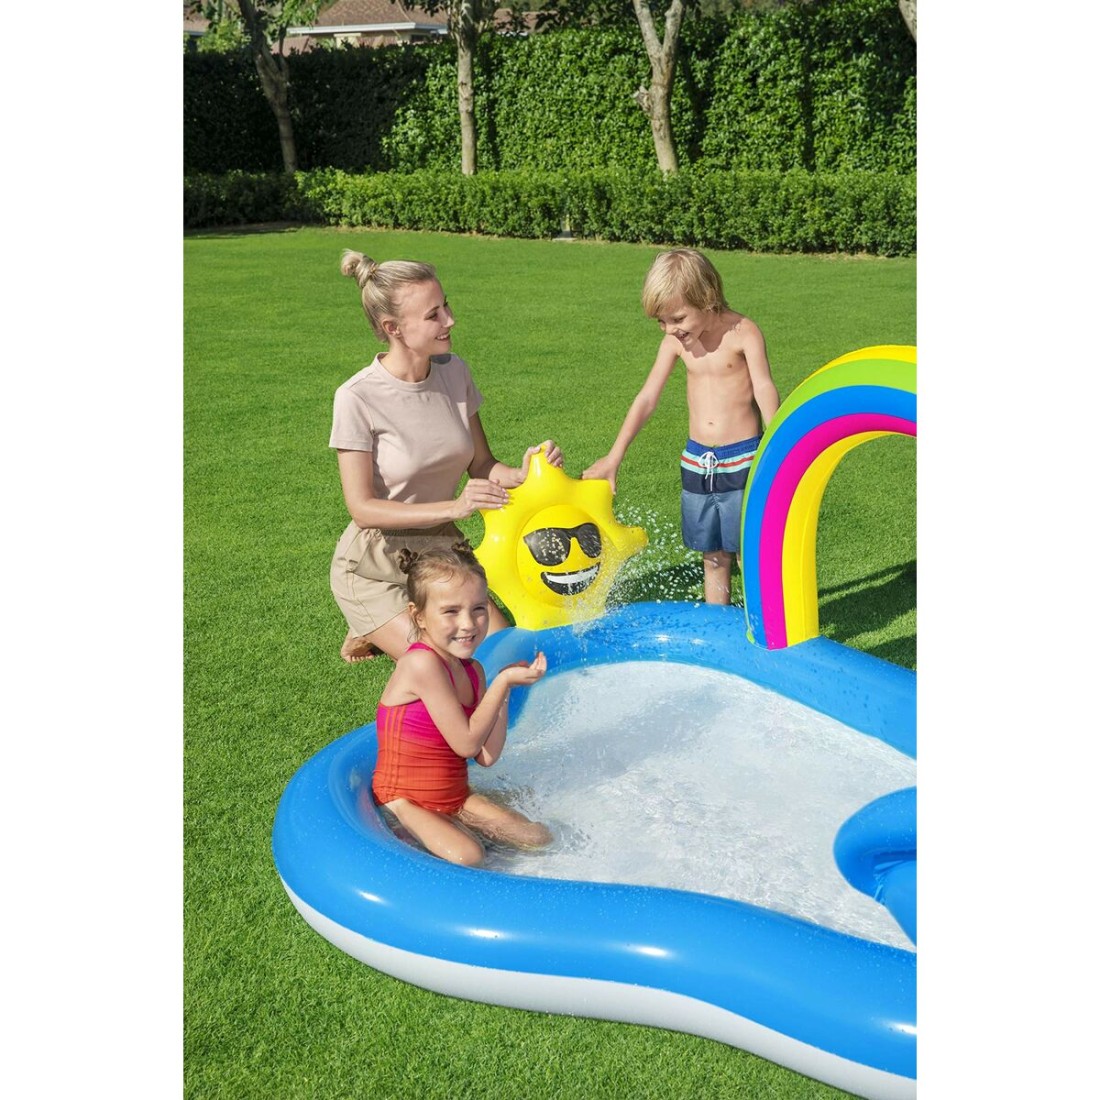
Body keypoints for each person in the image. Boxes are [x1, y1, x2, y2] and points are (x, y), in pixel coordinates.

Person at [330, 250, 563, 662]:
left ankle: (392, 622)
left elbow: (483, 465)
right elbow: (362, 509)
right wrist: (455, 507)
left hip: (440, 548)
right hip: (374, 564)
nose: (450, 320)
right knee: (447, 666)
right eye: (433, 315)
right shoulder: (357, 397)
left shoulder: (455, 372)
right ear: (393, 328)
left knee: (506, 656)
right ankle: (373, 616)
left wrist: (524, 473)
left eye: (446, 306)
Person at [583, 248, 780, 605]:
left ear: (707, 298)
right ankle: (718, 624)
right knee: (713, 556)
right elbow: (647, 398)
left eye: (676, 318)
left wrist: (776, 441)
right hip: (698, 461)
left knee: (747, 551)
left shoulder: (743, 333)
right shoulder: (675, 343)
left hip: (743, 458)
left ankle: (759, 626)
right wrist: (614, 456)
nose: (669, 329)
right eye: (661, 322)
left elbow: (764, 386)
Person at [371, 547, 553, 865]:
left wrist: (504, 690)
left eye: (478, 609)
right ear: (418, 616)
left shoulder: (473, 671)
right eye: (451, 611)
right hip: (405, 799)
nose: (468, 623)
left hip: (454, 798)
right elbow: (466, 743)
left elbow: (486, 756)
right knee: (468, 856)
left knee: (537, 837)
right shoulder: (421, 664)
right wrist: (502, 682)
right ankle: (404, 819)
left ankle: (460, 821)